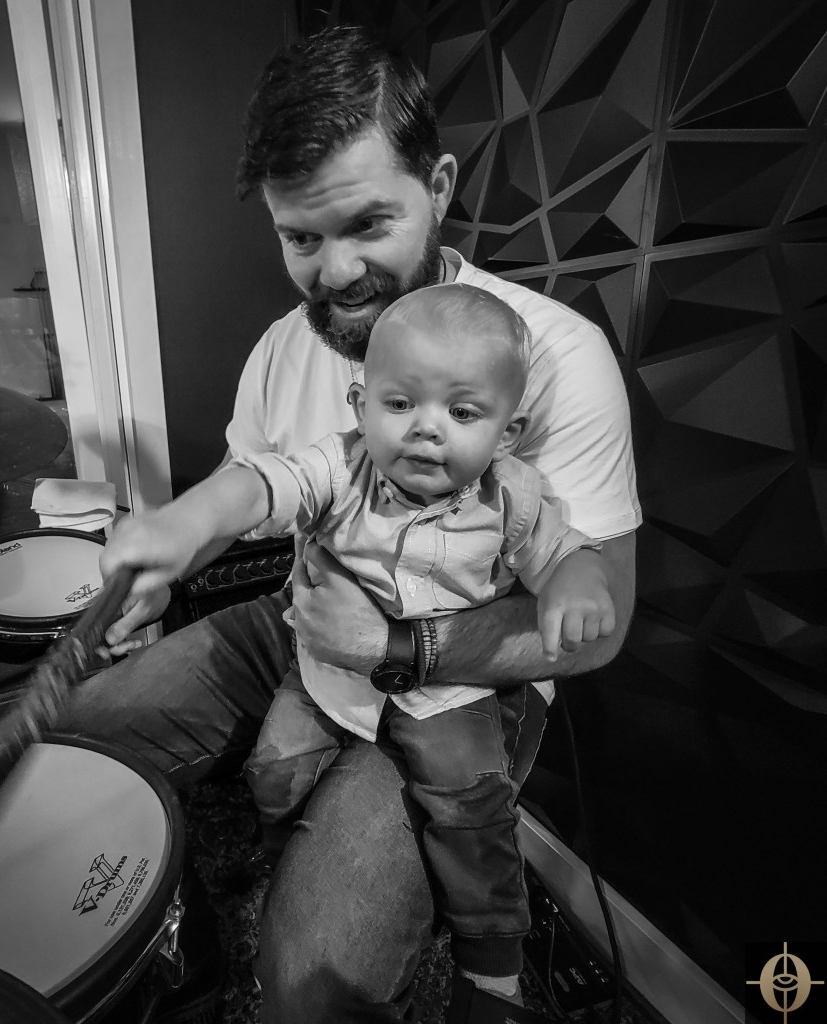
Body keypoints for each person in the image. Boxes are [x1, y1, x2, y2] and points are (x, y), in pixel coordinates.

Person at [61, 23, 641, 1024]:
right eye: (301, 237)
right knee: (77, 740)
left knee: (307, 984)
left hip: (466, 679)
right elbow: (254, 485)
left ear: (439, 186)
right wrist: (173, 551)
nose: (333, 274)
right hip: (306, 622)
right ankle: (182, 949)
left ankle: (484, 966)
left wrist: (398, 647)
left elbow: (600, 625)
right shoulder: (284, 347)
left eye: (368, 224)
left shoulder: (553, 356)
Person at [105, 281, 616, 1007]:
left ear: (508, 433)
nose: (426, 429)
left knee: (469, 807)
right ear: (360, 406)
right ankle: (283, 859)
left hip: (449, 690)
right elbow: (259, 484)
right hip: (323, 669)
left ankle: (492, 959)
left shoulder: (515, 497)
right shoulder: (342, 465)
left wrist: (577, 583)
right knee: (272, 769)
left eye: (462, 413)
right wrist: (182, 527)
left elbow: (569, 554)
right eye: (399, 404)